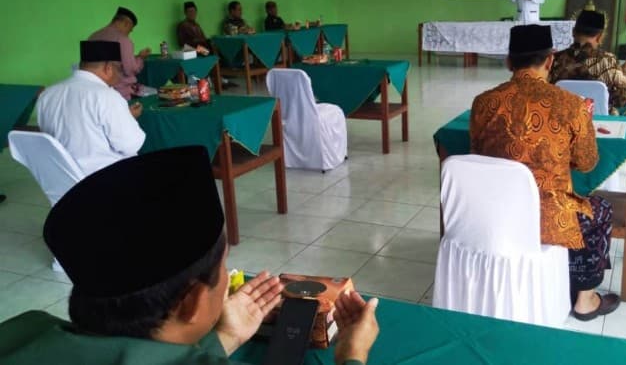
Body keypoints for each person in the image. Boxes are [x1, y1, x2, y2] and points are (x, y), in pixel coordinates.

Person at [0, 146, 379, 365]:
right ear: (194, 301)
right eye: (223, 266)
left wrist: (223, 338)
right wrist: (352, 352)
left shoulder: (22, 333)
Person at [470, 24, 619, 322]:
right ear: (550, 60)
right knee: (600, 210)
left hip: (496, 214)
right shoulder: (572, 105)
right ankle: (585, 300)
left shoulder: (484, 103)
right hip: (549, 220)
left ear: (509, 62)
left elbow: (477, 156)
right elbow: (587, 163)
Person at [36, 41, 145, 176]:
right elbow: (130, 145)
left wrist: (124, 116)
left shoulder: (48, 94)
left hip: (62, 177)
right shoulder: (107, 96)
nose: (120, 75)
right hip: (104, 178)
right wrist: (127, 119)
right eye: (119, 69)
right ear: (108, 68)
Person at [550, 10, 626, 114]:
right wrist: (625, 69)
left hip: (562, 118)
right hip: (598, 120)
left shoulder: (554, 59)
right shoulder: (609, 61)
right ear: (600, 37)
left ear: (573, 32)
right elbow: (622, 100)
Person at [88, 7, 150, 100]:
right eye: (130, 30)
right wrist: (140, 58)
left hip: (94, 91)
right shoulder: (123, 40)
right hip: (119, 94)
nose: (129, 33)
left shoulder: (93, 36)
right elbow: (130, 70)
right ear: (126, 24)